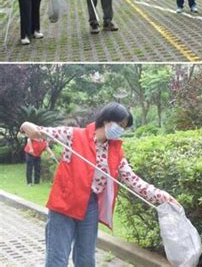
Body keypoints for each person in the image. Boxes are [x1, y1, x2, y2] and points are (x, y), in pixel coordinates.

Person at [19, 102, 178, 267]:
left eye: (124, 127)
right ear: (107, 120)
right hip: (64, 205)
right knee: (57, 260)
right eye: (120, 125)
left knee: (86, 260)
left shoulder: (115, 150)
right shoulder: (73, 135)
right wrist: (26, 125)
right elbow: (39, 132)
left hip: (90, 207)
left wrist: (162, 196)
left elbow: (133, 180)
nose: (121, 130)